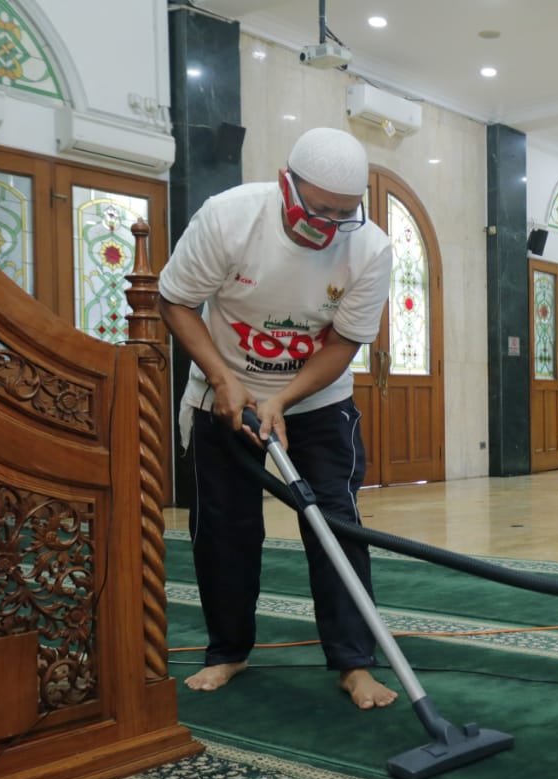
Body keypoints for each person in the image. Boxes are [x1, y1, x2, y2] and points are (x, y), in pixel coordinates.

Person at [158, 127, 398, 710]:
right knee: (225, 528)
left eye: (345, 214)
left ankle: (353, 662)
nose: (328, 226)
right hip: (223, 392)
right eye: (317, 209)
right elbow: (177, 301)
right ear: (287, 184)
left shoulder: (370, 248)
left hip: (317, 401)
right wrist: (223, 379)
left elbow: (343, 342)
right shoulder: (229, 217)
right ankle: (228, 651)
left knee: (335, 526)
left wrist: (282, 399)